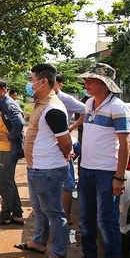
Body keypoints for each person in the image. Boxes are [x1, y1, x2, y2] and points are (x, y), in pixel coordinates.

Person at [14, 63, 72, 258]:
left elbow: (65, 142)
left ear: (43, 81)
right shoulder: (42, 103)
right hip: (36, 168)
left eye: (32, 80)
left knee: (54, 213)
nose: (30, 85)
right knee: (39, 209)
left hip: (48, 170)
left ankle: (58, 254)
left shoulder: (53, 108)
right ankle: (39, 242)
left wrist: (66, 153)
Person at [76, 63, 130, 258]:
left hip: (107, 173)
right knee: (85, 219)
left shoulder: (117, 107)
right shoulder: (89, 103)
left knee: (107, 221)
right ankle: (89, 257)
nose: (86, 83)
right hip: (87, 170)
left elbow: (125, 144)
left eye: (91, 80)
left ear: (105, 84)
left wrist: (119, 177)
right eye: (87, 80)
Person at [0, 76, 25, 227]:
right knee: (9, 182)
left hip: (6, 150)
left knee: (4, 183)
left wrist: (9, 137)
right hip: (3, 148)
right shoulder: (1, 103)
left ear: (3, 90)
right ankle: (17, 214)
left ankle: (5, 216)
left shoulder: (8, 104)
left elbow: (19, 123)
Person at [53, 72, 86, 224]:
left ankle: (66, 216)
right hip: (51, 145)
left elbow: (86, 111)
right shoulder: (43, 98)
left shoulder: (65, 99)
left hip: (64, 144)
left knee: (66, 181)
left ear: (59, 84)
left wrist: (71, 127)